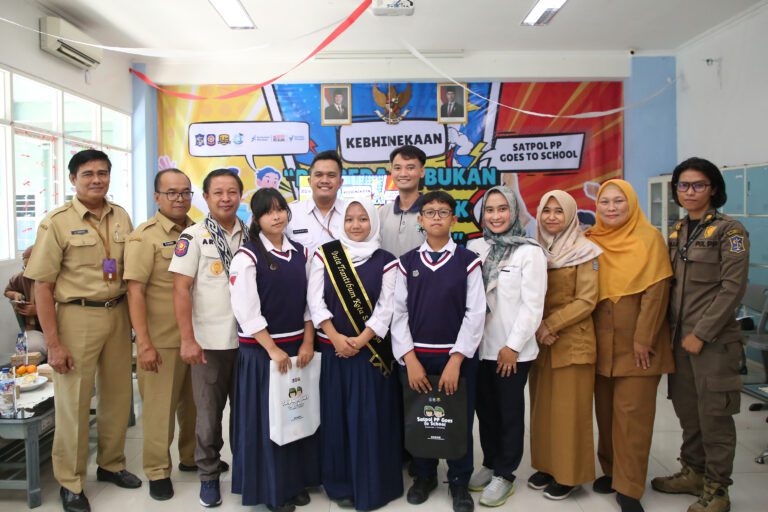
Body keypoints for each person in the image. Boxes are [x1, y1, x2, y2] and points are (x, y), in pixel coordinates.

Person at [24, 149, 140, 512]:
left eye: (102, 173)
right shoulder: (56, 222)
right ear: (73, 179)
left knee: (118, 396)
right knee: (74, 403)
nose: (96, 180)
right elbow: (41, 286)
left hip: (117, 314)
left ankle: (111, 463)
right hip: (77, 316)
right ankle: (71, 482)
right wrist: (54, 343)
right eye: (88, 173)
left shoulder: (120, 215)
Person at [651, 158, 749, 512]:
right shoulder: (678, 231)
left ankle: (717, 489)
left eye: (698, 185)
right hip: (679, 341)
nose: (689, 192)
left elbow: (732, 288)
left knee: (714, 417)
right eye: (683, 185)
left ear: (713, 189)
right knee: (688, 412)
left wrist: (702, 333)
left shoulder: (730, 232)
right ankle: (693, 471)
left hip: (713, 344)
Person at [391, 190, 486, 512]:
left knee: (457, 418)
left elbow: (475, 313)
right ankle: (424, 475)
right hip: (417, 357)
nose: (435, 217)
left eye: (442, 212)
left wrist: (457, 360)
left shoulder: (468, 261)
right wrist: (409, 359)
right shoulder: (406, 263)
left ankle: (459, 481)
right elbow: (398, 313)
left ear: (453, 218)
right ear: (420, 219)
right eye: (429, 212)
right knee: (421, 418)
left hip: (455, 357)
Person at [585, 179, 675, 512]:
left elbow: (656, 294)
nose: (610, 208)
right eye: (605, 202)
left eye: (618, 201)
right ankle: (611, 471)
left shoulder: (649, 239)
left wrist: (644, 339)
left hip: (638, 345)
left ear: (631, 203)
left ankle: (630, 486)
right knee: (606, 415)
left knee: (632, 417)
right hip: (599, 342)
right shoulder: (590, 239)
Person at [308, 199, 403, 510]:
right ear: (342, 223)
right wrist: (335, 337)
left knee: (370, 418)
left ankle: (374, 481)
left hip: (371, 355)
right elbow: (315, 302)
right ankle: (339, 482)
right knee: (336, 416)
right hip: (333, 352)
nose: (356, 225)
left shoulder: (387, 261)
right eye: (350, 219)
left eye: (363, 219)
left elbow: (386, 309)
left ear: (373, 222)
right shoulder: (326, 255)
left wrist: (361, 340)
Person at [229, 188, 319, 512]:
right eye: (268, 212)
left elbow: (311, 304)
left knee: (296, 416)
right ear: (256, 218)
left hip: (297, 349)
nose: (277, 216)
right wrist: (273, 350)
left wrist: (308, 342)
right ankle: (269, 489)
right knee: (268, 422)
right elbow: (246, 311)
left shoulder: (301, 253)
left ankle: (293, 482)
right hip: (263, 354)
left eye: (281, 209)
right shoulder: (247, 256)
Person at [170, 168, 249, 507]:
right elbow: (180, 290)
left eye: (232, 192)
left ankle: (247, 471)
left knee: (247, 414)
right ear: (206, 198)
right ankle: (208, 476)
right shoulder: (194, 236)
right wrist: (188, 340)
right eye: (218, 192)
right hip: (209, 344)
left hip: (249, 342)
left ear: (241, 196)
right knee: (208, 417)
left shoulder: (253, 235)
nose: (225, 198)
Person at [466, 186, 548, 507]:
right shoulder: (476, 247)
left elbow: (533, 306)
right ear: (482, 214)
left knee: (508, 412)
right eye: (490, 210)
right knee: (484, 411)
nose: (496, 216)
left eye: (503, 209)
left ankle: (505, 473)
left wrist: (512, 346)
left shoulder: (530, 252)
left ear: (514, 212)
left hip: (511, 351)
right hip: (479, 348)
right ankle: (489, 463)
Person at [124, 168, 198, 501]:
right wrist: (144, 344)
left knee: (194, 406)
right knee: (159, 410)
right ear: (157, 197)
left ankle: (190, 457)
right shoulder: (145, 237)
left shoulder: (198, 231)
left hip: (197, 336)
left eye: (185, 192)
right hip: (162, 340)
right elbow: (134, 292)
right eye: (171, 192)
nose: (179, 198)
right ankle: (157, 470)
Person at [528, 190, 603, 500]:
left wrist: (549, 325)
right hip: (541, 344)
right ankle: (547, 465)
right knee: (542, 410)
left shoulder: (587, 251)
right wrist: (537, 329)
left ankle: (570, 475)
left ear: (572, 214)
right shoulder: (534, 250)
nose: (552, 217)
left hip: (572, 341)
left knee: (570, 413)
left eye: (559, 211)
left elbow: (587, 300)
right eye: (547, 211)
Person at [287, 150, 345, 256]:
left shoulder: (352, 214)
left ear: (340, 182)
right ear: (309, 181)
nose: (324, 180)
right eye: (318, 175)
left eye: (331, 175)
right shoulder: (290, 213)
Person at [379, 145, 427, 257]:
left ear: (422, 171)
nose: (403, 174)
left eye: (410, 168)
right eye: (397, 168)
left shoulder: (432, 212)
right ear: (391, 171)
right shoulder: (382, 213)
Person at [4, 245, 46, 354]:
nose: (28, 271)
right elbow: (7, 291)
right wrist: (15, 295)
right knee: (21, 348)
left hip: (59, 330)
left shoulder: (58, 279)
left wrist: (39, 310)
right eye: (25, 267)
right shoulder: (22, 277)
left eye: (31, 267)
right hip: (33, 329)